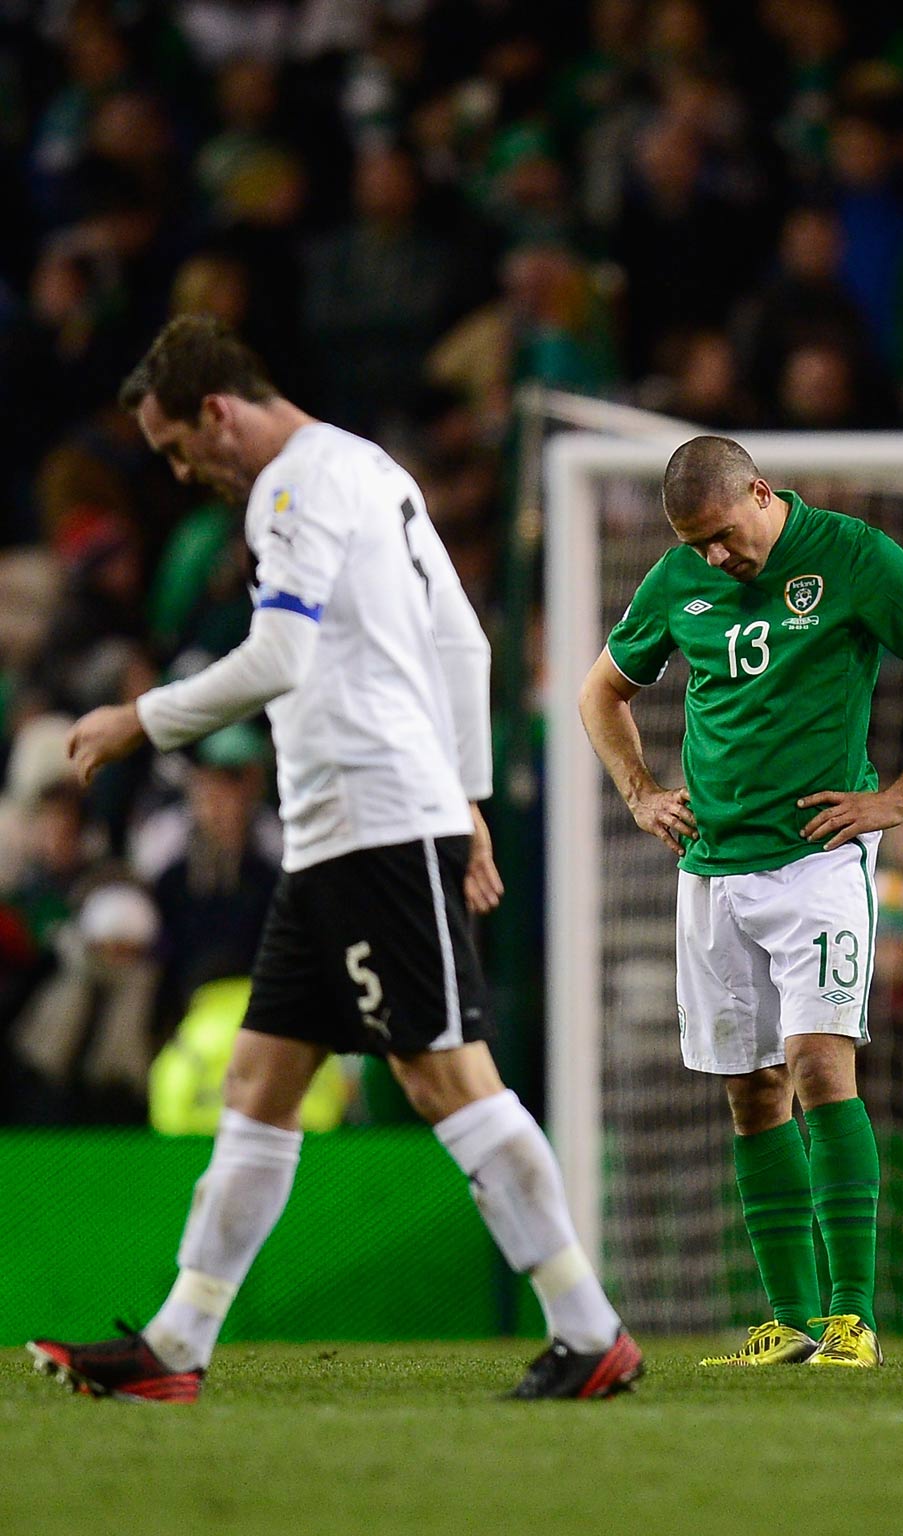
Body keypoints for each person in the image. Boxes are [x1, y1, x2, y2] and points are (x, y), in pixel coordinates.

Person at [28, 316, 638, 1404]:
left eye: (177, 448)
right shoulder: (374, 470)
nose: (182, 472)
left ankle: (590, 1330)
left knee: (442, 1074)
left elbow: (281, 652)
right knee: (259, 1084)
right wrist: (470, 797)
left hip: (371, 820)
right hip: (343, 832)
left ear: (218, 411)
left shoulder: (290, 488)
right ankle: (177, 1344)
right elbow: (463, 641)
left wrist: (143, 718)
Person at [578, 434, 903, 1369]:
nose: (716, 559)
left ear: (762, 494)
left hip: (819, 865)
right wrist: (642, 793)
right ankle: (790, 1323)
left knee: (821, 1067)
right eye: (697, 545)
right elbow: (599, 694)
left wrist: (896, 800)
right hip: (711, 871)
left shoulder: (853, 555)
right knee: (749, 1091)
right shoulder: (675, 580)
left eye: (725, 537)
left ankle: (853, 1321)